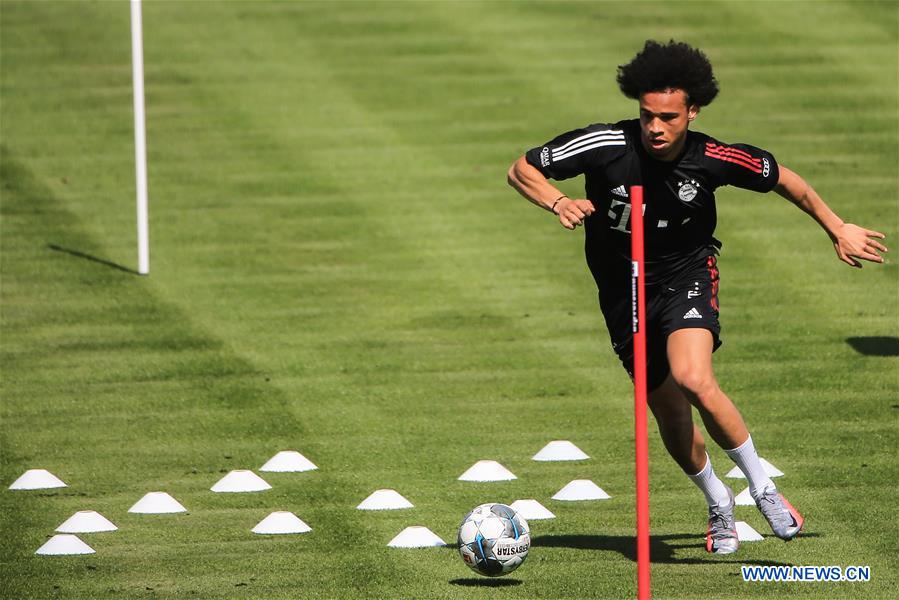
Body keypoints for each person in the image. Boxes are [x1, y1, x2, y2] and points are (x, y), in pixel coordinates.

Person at [507, 40, 887, 554]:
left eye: (667, 117)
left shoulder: (712, 157)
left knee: (693, 377)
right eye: (646, 116)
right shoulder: (603, 144)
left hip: (687, 272)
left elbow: (784, 179)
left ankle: (764, 489)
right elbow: (522, 168)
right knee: (667, 409)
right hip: (623, 292)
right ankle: (718, 502)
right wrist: (557, 201)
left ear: (692, 111)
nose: (655, 128)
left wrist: (835, 226)